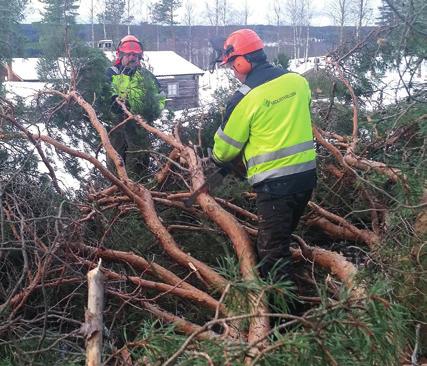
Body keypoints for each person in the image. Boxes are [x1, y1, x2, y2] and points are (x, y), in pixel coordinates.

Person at [212, 29, 317, 285]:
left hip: (275, 186)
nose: (234, 72)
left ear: (241, 61)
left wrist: (217, 158)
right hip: (306, 179)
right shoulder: (297, 82)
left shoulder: (245, 98)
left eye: (232, 66)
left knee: (272, 254)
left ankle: (285, 317)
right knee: (281, 239)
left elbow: (224, 150)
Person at [106, 35, 165, 178]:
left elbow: (160, 97)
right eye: (129, 54)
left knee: (140, 163)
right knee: (116, 165)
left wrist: (154, 111)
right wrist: (114, 101)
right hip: (117, 127)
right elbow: (106, 96)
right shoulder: (111, 74)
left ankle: (140, 191)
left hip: (140, 126)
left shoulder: (146, 76)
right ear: (120, 55)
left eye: (135, 55)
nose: (132, 58)